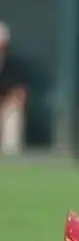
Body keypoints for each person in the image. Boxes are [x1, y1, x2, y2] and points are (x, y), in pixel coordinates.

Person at [0, 22, 28, 157]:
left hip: (6, 103)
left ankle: (10, 151)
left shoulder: (14, 63)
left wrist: (9, 101)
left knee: (12, 111)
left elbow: (19, 92)